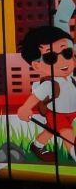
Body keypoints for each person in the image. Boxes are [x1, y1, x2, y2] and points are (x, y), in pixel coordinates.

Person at [16, 25, 76, 163]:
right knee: (66, 133)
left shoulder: (72, 78)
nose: (63, 61)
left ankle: (37, 146)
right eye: (50, 57)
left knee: (50, 129)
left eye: (66, 53)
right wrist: (25, 108)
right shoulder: (50, 84)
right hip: (57, 113)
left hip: (72, 111)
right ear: (37, 66)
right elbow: (35, 97)